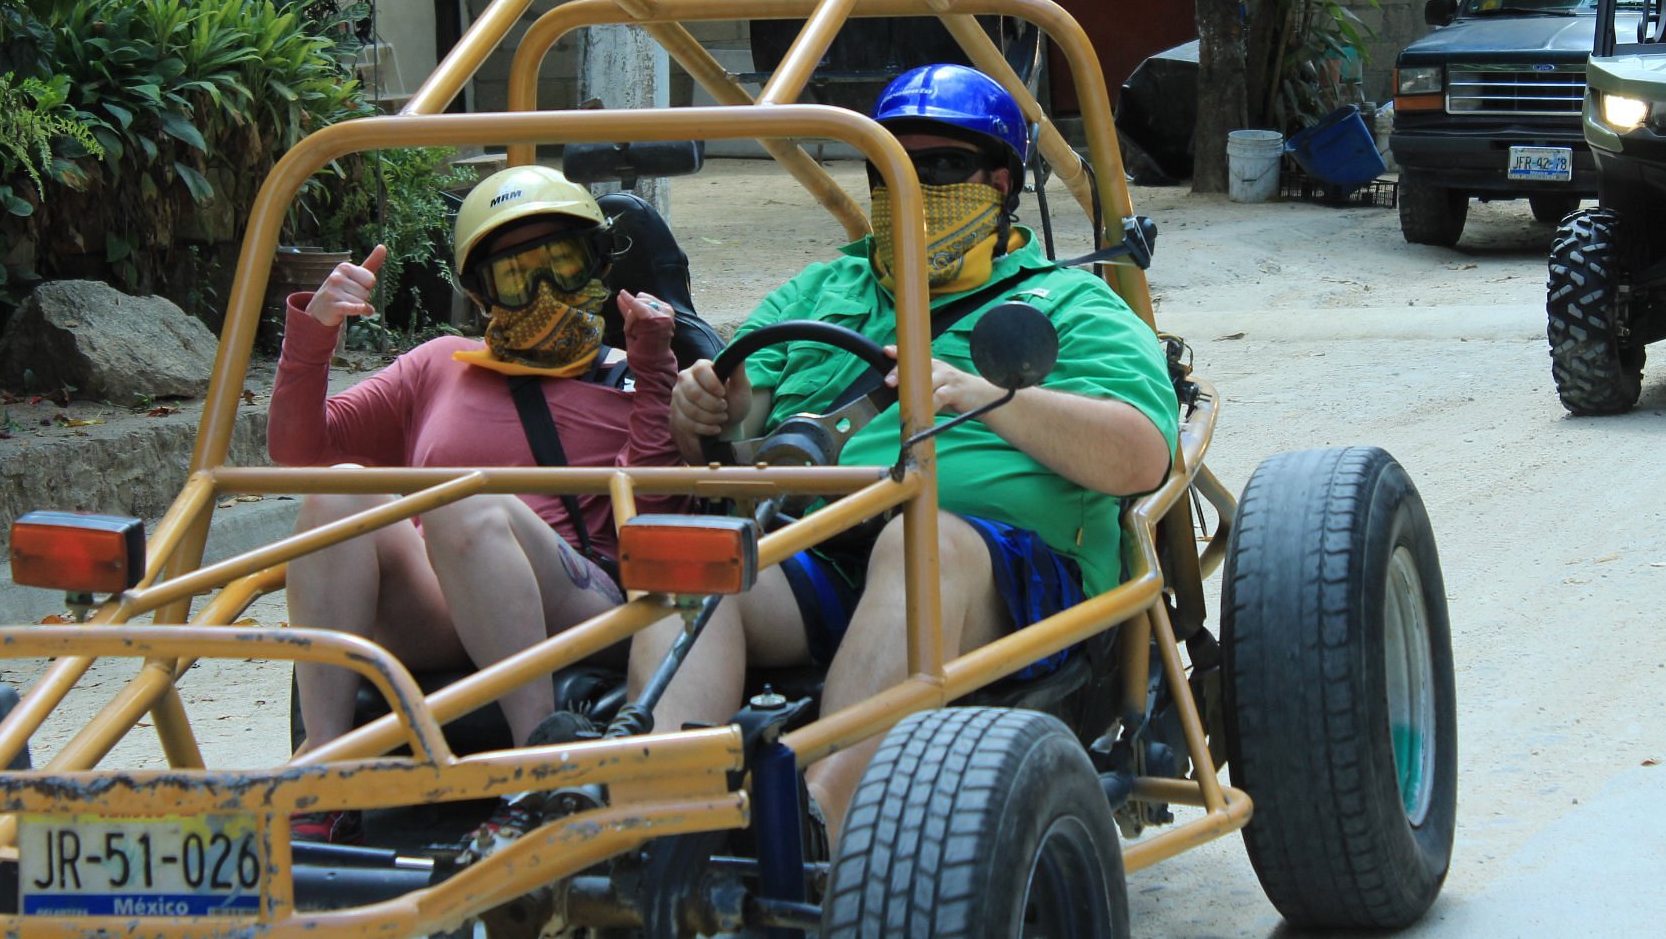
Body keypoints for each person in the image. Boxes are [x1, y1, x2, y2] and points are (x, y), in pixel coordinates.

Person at [630, 64, 1179, 839]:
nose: (912, 187)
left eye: (941, 167)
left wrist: (974, 394)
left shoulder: (1069, 303)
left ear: (999, 182)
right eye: (891, 167)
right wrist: (707, 402)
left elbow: (1141, 457)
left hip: (1007, 572)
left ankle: (824, 820)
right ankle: (653, 815)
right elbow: (732, 419)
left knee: (918, 540)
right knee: (696, 552)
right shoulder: (824, 289)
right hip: (825, 550)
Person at [270, 165, 679, 844]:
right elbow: (297, 446)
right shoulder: (438, 364)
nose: (545, 291)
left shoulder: (631, 372)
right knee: (338, 483)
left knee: (464, 498)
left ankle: (533, 772)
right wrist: (316, 331)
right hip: (446, 592)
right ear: (478, 291)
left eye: (563, 264)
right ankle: (323, 768)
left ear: (598, 266)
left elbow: (657, 508)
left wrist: (657, 368)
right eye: (519, 276)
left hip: (576, 596)